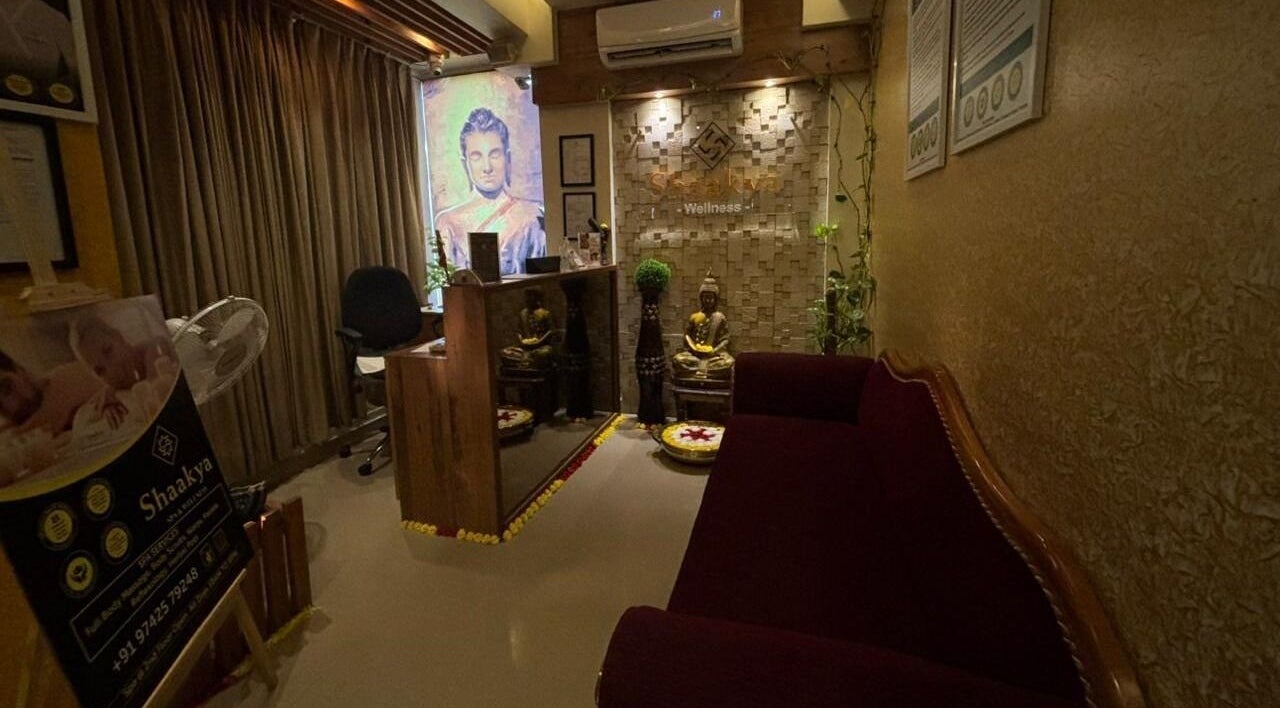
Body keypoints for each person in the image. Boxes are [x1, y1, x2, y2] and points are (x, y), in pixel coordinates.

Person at [434, 108, 546, 275]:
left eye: (494, 155)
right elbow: (448, 284)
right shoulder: (447, 222)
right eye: (477, 156)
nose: (487, 168)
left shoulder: (531, 216)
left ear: (507, 158)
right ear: (465, 163)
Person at [672, 272, 735, 382]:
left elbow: (725, 339)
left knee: (729, 363)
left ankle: (700, 371)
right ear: (701, 299)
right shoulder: (695, 316)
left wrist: (714, 351)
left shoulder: (719, 317)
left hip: (713, 356)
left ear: (715, 299)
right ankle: (706, 372)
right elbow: (687, 335)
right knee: (678, 360)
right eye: (705, 298)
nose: (708, 301)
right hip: (695, 355)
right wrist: (694, 349)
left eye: (711, 298)